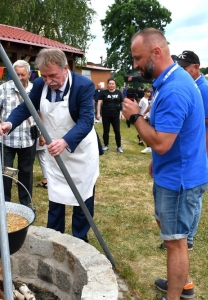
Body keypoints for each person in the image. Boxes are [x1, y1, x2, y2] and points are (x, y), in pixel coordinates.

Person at [122, 28, 208, 300]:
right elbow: (173, 138)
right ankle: (182, 283)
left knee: (175, 243)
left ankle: (174, 296)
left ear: (156, 52)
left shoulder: (174, 89)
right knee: (173, 237)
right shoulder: (170, 81)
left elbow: (160, 143)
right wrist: (158, 162)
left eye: (138, 58)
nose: (135, 64)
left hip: (180, 181)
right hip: (172, 173)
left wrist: (136, 117)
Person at [0, 48, 99, 242]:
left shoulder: (83, 85)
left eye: (52, 75)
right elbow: (27, 107)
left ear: (65, 68)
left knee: (83, 198)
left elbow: (87, 121)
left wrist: (65, 141)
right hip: (56, 152)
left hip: (80, 151)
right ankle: (55, 237)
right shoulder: (40, 85)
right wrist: (10, 122)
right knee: (56, 197)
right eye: (44, 76)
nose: (48, 81)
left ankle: (80, 239)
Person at [170, 50, 208, 251]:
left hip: (199, 153)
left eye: (185, 67)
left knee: (195, 197)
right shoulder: (192, 85)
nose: (182, 70)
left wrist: (204, 154)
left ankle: (189, 238)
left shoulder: (203, 88)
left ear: (196, 67)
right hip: (193, 151)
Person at [0, 60, 36, 206]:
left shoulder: (35, 90)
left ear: (29, 74)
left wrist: (42, 133)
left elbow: (40, 112)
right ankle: (5, 204)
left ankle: (26, 204)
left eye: (23, 74)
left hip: (28, 139)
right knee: (5, 173)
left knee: (27, 172)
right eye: (16, 74)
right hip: (7, 140)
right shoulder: (4, 88)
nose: (20, 77)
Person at [96, 78, 124, 152]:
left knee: (117, 131)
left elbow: (122, 103)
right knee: (106, 131)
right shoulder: (103, 92)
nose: (111, 85)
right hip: (106, 115)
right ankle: (106, 145)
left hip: (115, 115)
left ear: (115, 85)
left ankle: (119, 147)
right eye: (110, 83)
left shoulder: (119, 93)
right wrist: (98, 113)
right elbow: (99, 103)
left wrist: (123, 114)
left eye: (113, 84)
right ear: (107, 84)